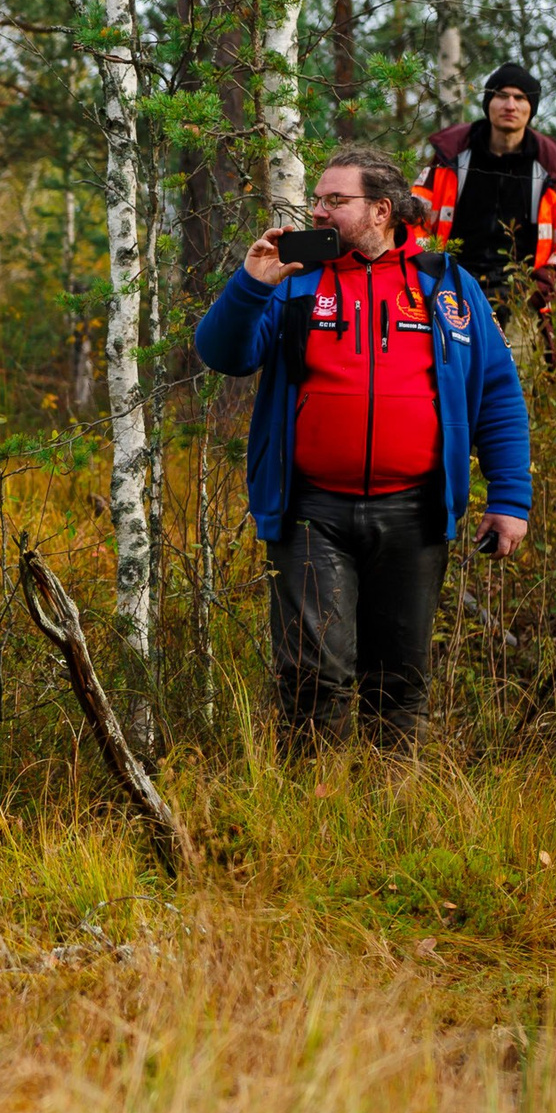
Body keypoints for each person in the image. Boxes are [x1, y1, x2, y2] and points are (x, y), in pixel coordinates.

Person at [194, 148, 532, 747]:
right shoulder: (296, 282)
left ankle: (388, 817)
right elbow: (225, 354)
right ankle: (308, 814)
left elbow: (498, 394)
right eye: (317, 199)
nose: (317, 211)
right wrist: (251, 283)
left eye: (334, 200)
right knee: (312, 675)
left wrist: (509, 499)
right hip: (310, 512)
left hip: (415, 512)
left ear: (380, 210)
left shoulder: (446, 286)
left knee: (399, 682)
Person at [411, 64, 556, 333]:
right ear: (488, 103)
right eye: (501, 95)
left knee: (517, 375)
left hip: (521, 303)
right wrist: (433, 271)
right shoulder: (450, 159)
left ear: (530, 108)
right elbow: (409, 220)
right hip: (449, 294)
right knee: (452, 373)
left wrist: (545, 285)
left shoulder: (549, 170)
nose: (510, 104)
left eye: (520, 98)